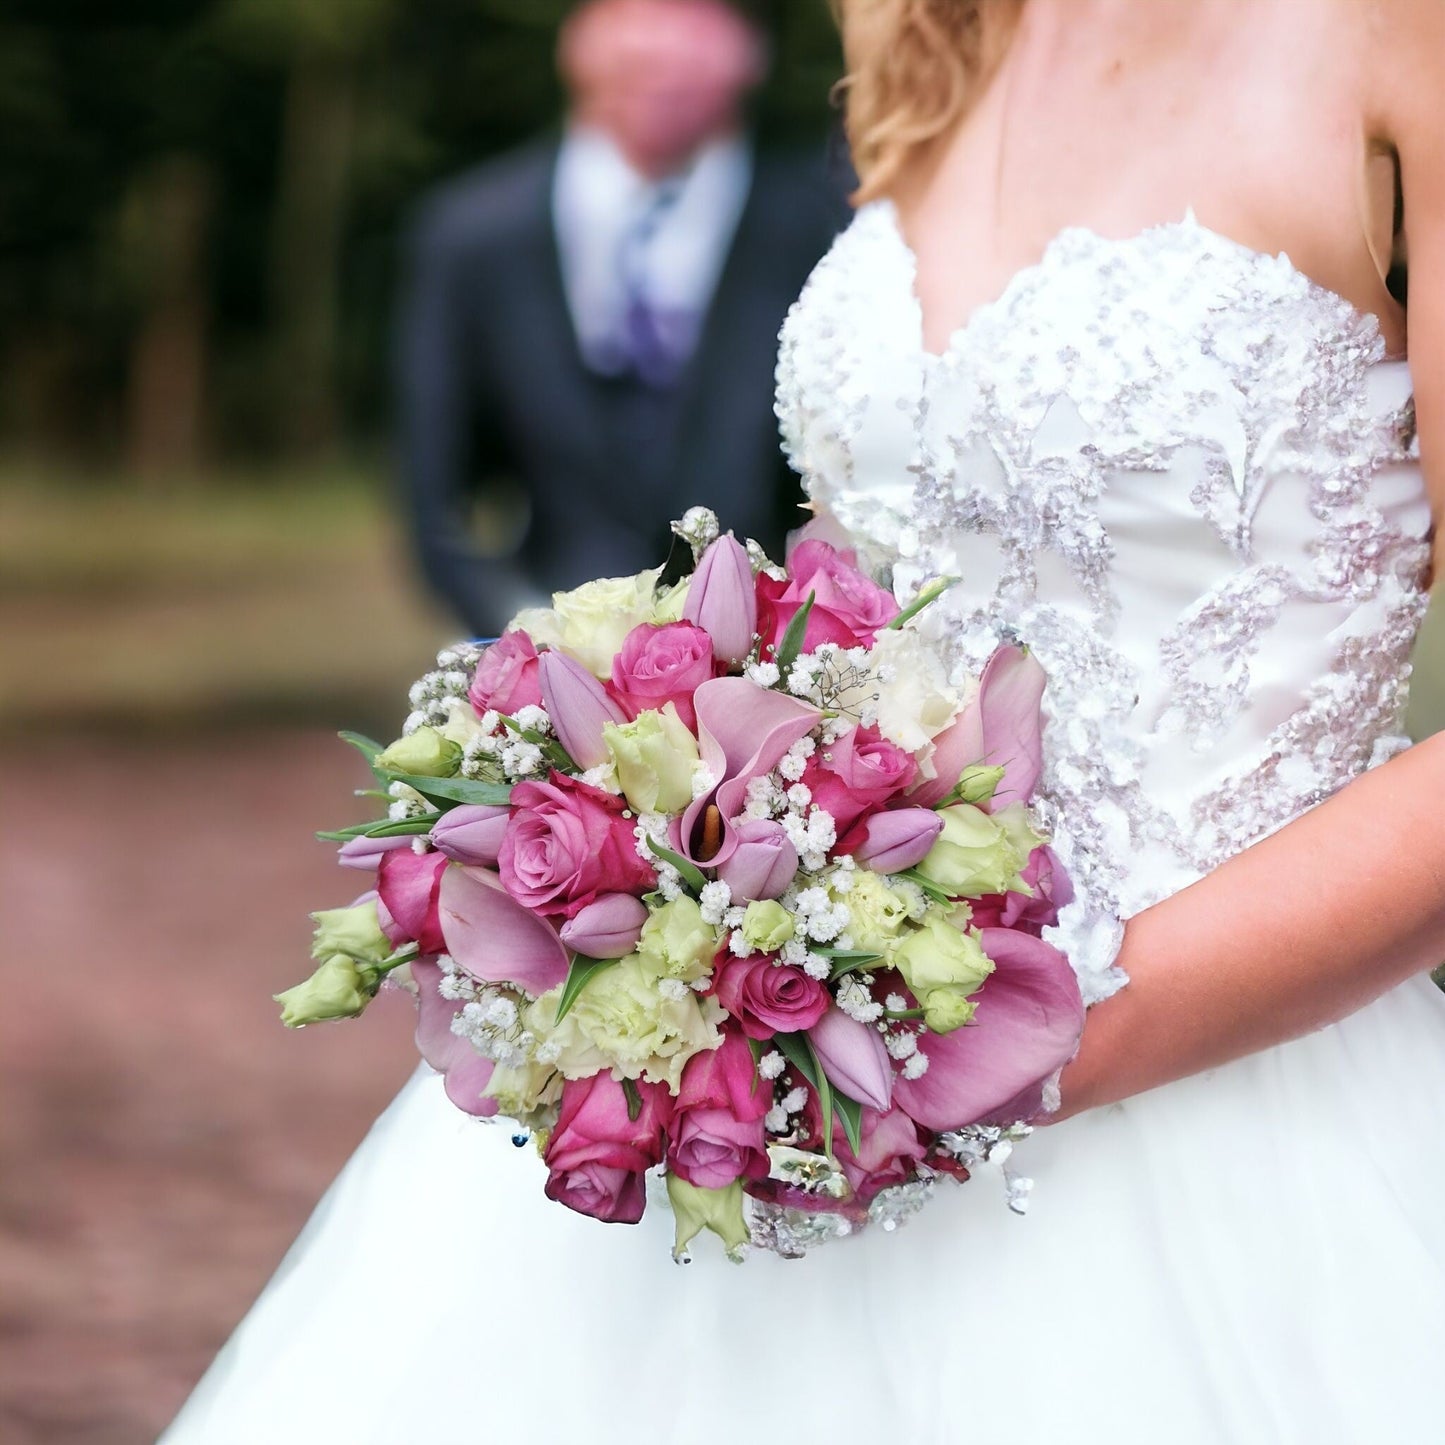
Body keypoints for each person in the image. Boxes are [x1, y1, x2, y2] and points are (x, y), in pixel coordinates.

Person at [162, 1, 1445, 1440]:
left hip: (1235, 1112)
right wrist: (658, 841)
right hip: (788, 1057)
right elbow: (861, 572)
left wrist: (1034, 1037)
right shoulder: (929, 32)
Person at [397, 0, 846, 637]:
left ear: (751, 48)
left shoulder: (825, 230)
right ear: (576, 38)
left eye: (694, 16)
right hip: (541, 673)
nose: (663, 47)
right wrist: (528, 646)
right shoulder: (472, 235)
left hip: (781, 666)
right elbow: (435, 501)